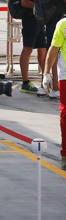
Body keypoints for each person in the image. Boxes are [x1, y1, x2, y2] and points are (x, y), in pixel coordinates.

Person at [40, 16, 66, 169]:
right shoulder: (63, 24)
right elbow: (54, 49)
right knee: (65, 116)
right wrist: (46, 73)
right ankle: (65, 155)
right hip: (65, 77)